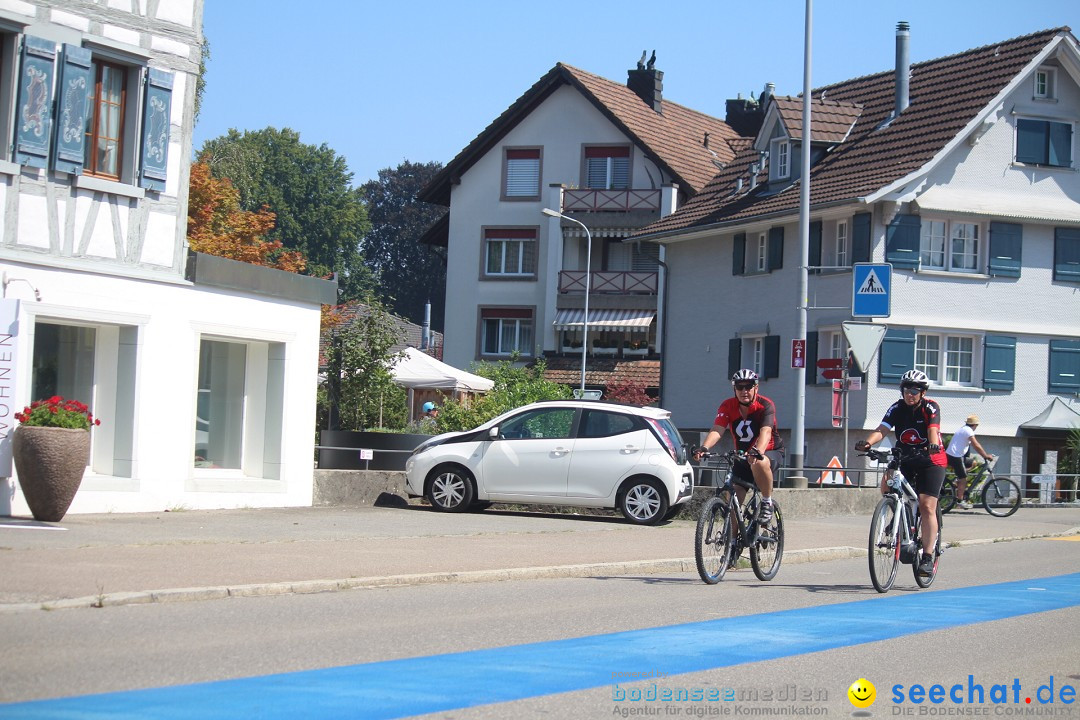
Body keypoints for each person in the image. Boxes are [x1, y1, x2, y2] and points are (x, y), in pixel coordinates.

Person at [855, 369, 946, 577]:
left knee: (926, 505)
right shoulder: (896, 408)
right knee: (887, 484)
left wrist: (932, 444)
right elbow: (882, 429)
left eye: (914, 390)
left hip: (931, 458)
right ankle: (898, 513)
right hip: (905, 454)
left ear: (922, 392)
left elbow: (933, 429)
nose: (910, 394)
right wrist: (867, 443)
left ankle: (927, 556)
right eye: (906, 389)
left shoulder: (931, 407)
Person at [692, 369, 785, 524]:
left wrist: (758, 451)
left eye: (748, 386)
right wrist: (704, 448)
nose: (744, 391)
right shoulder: (728, 405)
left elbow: (766, 432)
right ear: (734, 389)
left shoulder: (765, 405)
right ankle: (733, 543)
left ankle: (767, 502)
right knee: (733, 502)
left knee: (759, 462)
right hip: (742, 456)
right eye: (739, 387)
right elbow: (717, 429)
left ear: (756, 388)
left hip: (769, 452)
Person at [945, 414, 995, 510]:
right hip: (955, 456)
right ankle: (960, 501)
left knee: (973, 463)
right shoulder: (968, 431)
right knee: (963, 478)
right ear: (975, 425)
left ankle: (957, 481)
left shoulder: (964, 429)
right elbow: (976, 445)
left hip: (956, 455)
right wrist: (985, 455)